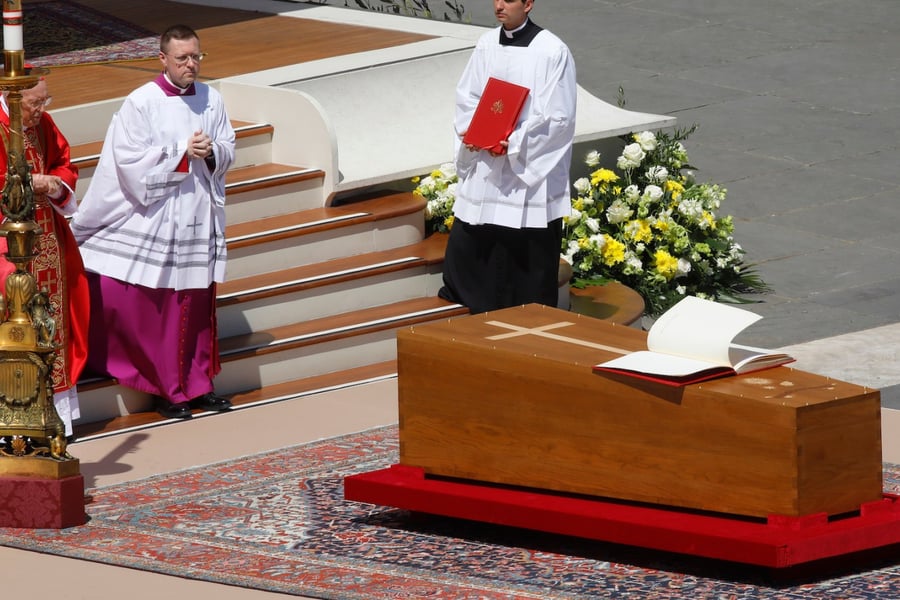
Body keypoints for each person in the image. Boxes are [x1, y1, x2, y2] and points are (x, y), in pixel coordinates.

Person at [71, 24, 236, 420]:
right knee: (165, 308)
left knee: (197, 304)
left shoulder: (211, 98)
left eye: (196, 56)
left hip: (199, 211)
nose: (191, 65)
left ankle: (200, 384)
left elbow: (229, 144)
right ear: (162, 59)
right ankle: (170, 390)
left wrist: (213, 151)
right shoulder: (141, 102)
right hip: (160, 214)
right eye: (182, 58)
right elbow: (127, 161)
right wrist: (182, 151)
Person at [438, 0, 577, 314]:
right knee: (471, 245)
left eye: (509, 0)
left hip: (524, 167)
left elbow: (560, 118)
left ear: (528, 4)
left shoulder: (551, 51)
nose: (499, 5)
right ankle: (469, 305)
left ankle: (526, 315)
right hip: (487, 161)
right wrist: (475, 134)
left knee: (523, 255)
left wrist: (513, 142)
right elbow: (468, 96)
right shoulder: (487, 45)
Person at [0, 76, 90, 439]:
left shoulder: (43, 123)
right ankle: (13, 415)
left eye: (45, 100)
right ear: (12, 96)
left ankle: (57, 417)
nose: (42, 109)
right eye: (36, 103)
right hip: (7, 240)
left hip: (48, 235)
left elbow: (63, 162)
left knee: (52, 320)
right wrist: (22, 182)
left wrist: (55, 182)